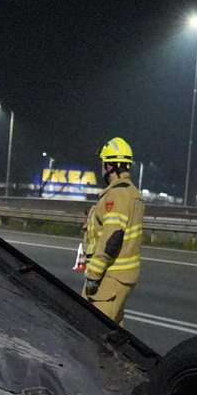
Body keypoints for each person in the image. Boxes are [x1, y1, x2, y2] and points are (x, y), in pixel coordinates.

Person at [80, 137, 145, 322]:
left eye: (103, 163)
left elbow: (113, 237)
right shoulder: (131, 192)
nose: (102, 168)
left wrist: (93, 274)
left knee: (92, 331)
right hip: (120, 277)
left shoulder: (117, 194)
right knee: (112, 329)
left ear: (110, 166)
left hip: (109, 277)